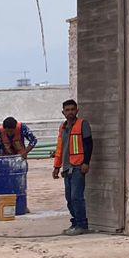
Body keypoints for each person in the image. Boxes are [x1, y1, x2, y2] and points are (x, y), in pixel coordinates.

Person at [52, 99, 93, 236]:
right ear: (63, 112)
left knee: (77, 197)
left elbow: (88, 144)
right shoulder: (63, 128)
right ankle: (75, 223)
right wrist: (56, 167)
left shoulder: (82, 124)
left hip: (78, 166)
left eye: (72, 109)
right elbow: (60, 149)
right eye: (67, 110)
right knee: (69, 198)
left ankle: (82, 224)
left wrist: (86, 162)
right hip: (66, 168)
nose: (70, 112)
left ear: (77, 111)